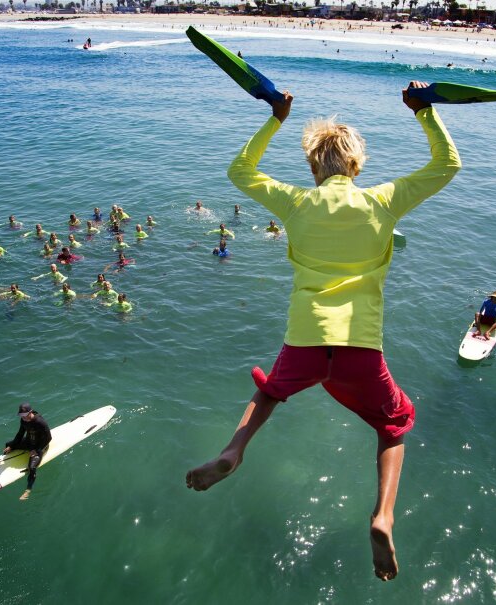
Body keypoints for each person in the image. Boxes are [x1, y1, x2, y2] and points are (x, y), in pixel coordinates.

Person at [185, 83, 460, 582]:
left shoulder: (295, 203)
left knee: (269, 392)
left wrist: (276, 117)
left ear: (314, 167)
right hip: (360, 346)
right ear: (357, 164)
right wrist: (425, 114)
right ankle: (383, 515)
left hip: (305, 338)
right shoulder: (382, 202)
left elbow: (239, 171)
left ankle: (233, 451)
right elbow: (447, 166)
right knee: (394, 423)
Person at [3, 403, 52, 501]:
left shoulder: (40, 422)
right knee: (8, 444)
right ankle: (12, 447)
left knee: (32, 467)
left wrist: (37, 450)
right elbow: (20, 434)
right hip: (28, 442)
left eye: (24, 415)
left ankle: (28, 490)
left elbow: (48, 438)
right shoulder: (23, 420)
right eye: (21, 416)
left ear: (30, 412)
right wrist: (11, 446)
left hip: (40, 446)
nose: (23, 418)